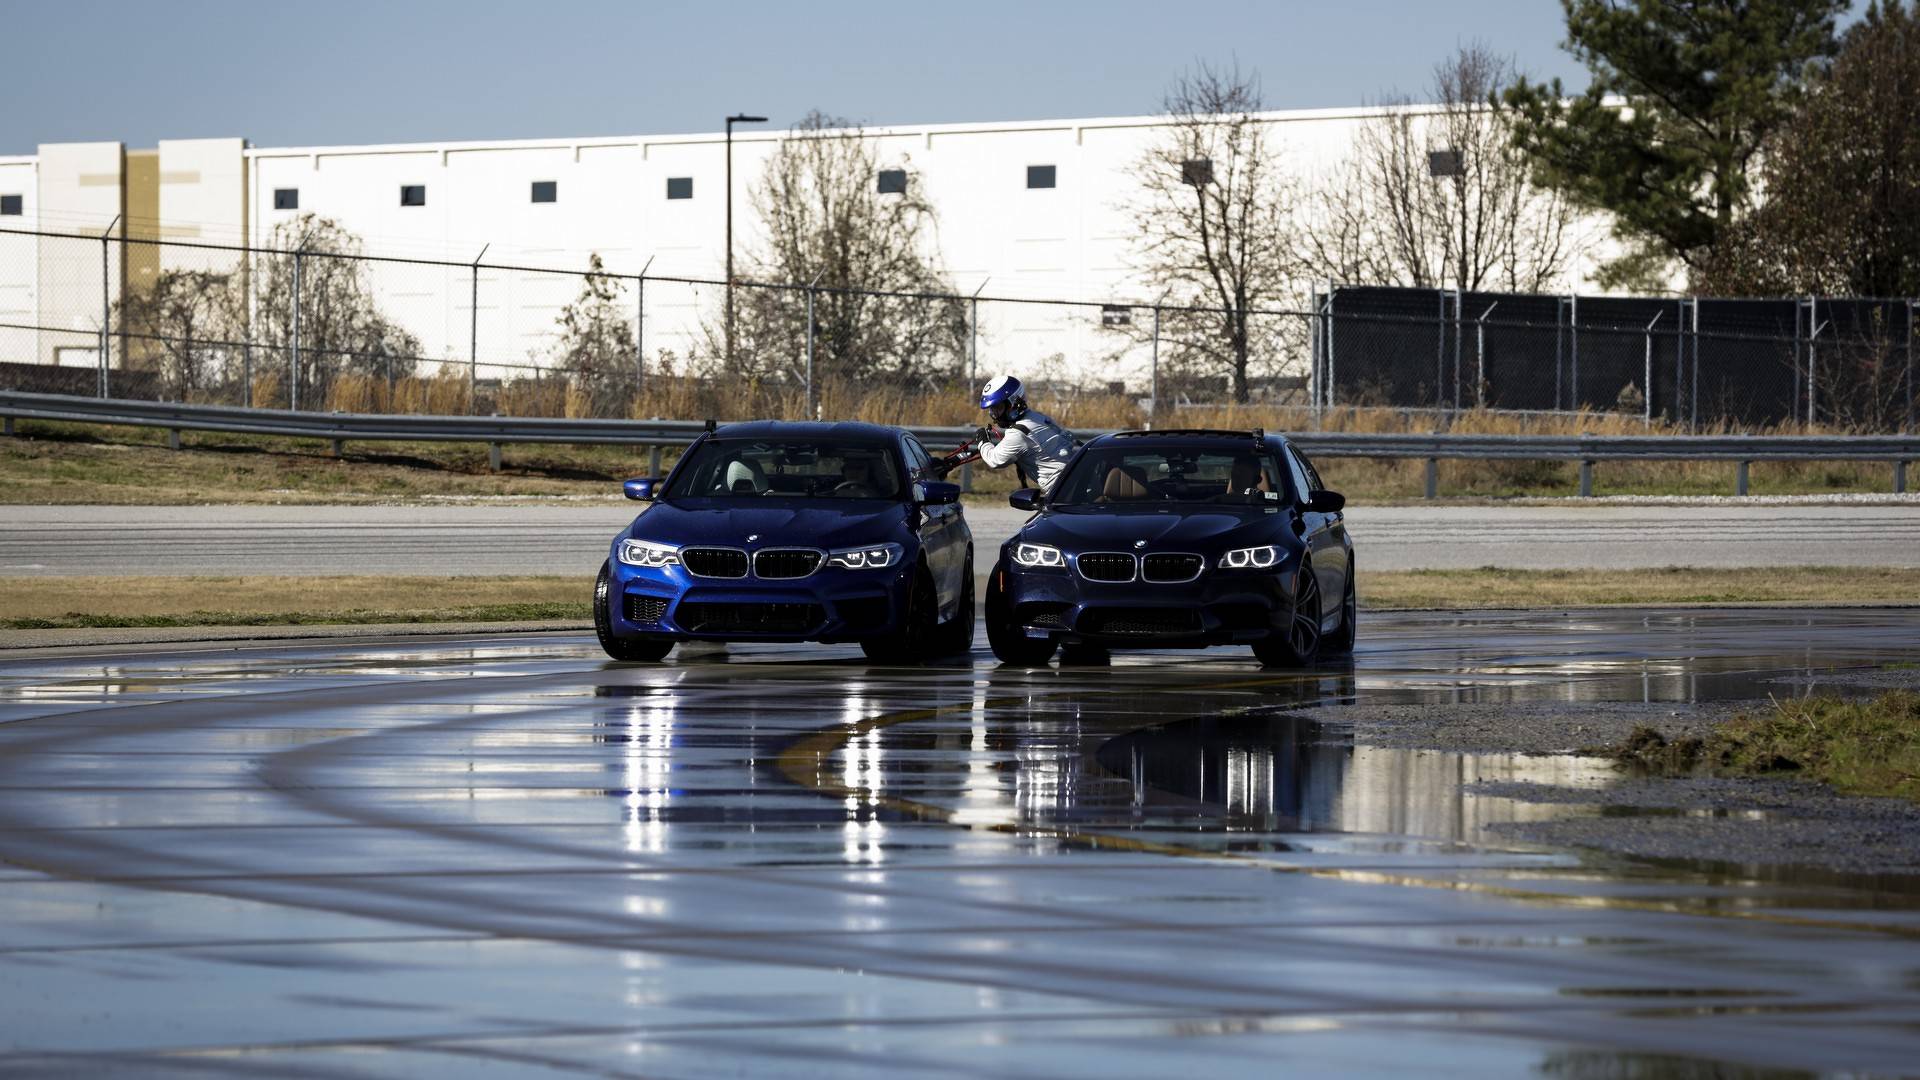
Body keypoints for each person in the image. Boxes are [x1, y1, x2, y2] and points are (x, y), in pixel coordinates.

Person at [975, 374, 1076, 493]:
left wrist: (983, 441)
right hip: (1074, 479)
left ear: (1014, 403)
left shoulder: (1018, 433)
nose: (994, 414)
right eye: (991, 409)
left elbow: (994, 460)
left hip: (1064, 492)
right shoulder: (1038, 417)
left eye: (998, 407)